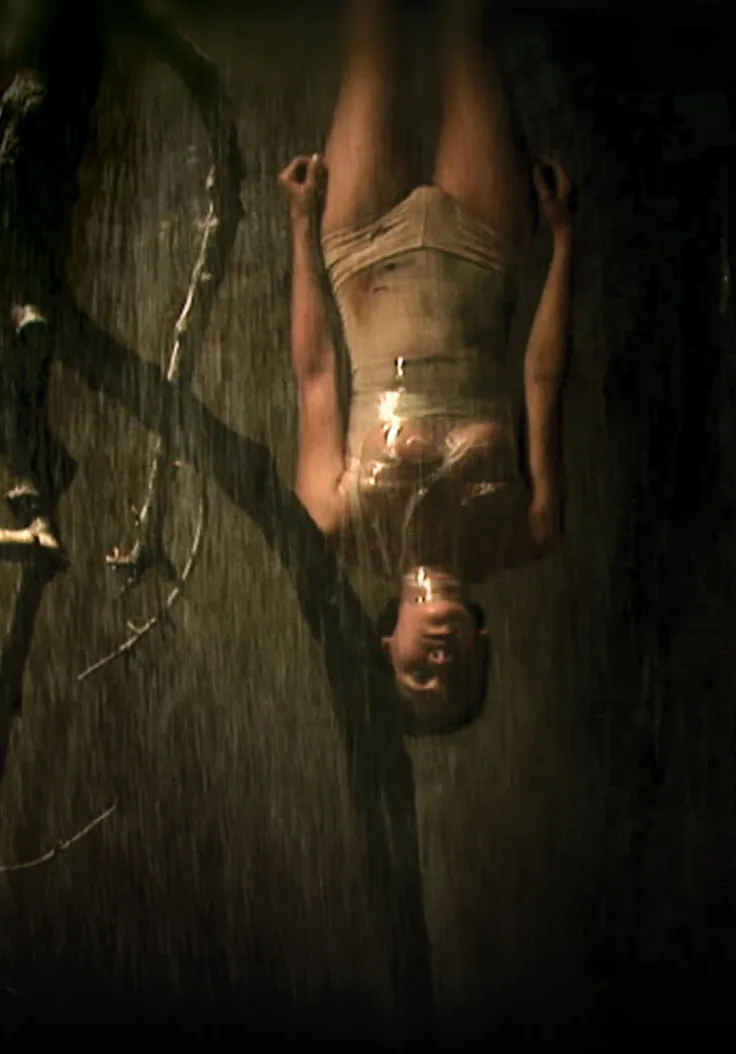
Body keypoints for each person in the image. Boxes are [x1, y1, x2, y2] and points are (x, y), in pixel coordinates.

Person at [278, 0, 575, 736]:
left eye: (419, 672)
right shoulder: (527, 531)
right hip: (485, 247)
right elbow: (542, 382)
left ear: (387, 647)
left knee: (371, 32)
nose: (440, 661)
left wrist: (300, 231)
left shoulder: (334, 523)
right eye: (460, 672)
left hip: (358, 251)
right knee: (463, 23)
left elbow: (316, 372)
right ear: (485, 645)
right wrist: (565, 245)